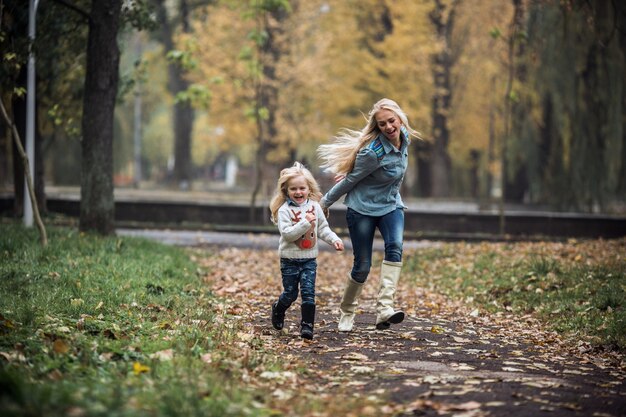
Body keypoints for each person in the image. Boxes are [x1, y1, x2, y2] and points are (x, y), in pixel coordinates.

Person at [317, 98, 420, 332]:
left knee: (395, 246)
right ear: (378, 126)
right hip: (362, 208)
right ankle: (347, 312)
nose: (388, 127)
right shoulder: (372, 153)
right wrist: (324, 203)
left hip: (391, 204)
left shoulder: (405, 138)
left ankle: (385, 309)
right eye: (382, 124)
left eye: (391, 121)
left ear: (400, 118)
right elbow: (352, 179)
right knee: (362, 265)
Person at [269, 161, 344, 340]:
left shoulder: (315, 207)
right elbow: (288, 235)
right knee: (291, 294)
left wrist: (334, 239)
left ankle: (307, 326)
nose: (298, 192)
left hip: (309, 259)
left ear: (308, 188)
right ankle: (278, 308)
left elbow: (322, 229)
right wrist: (305, 222)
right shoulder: (284, 211)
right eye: (293, 189)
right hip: (289, 259)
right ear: (286, 191)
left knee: (309, 293)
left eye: (302, 188)